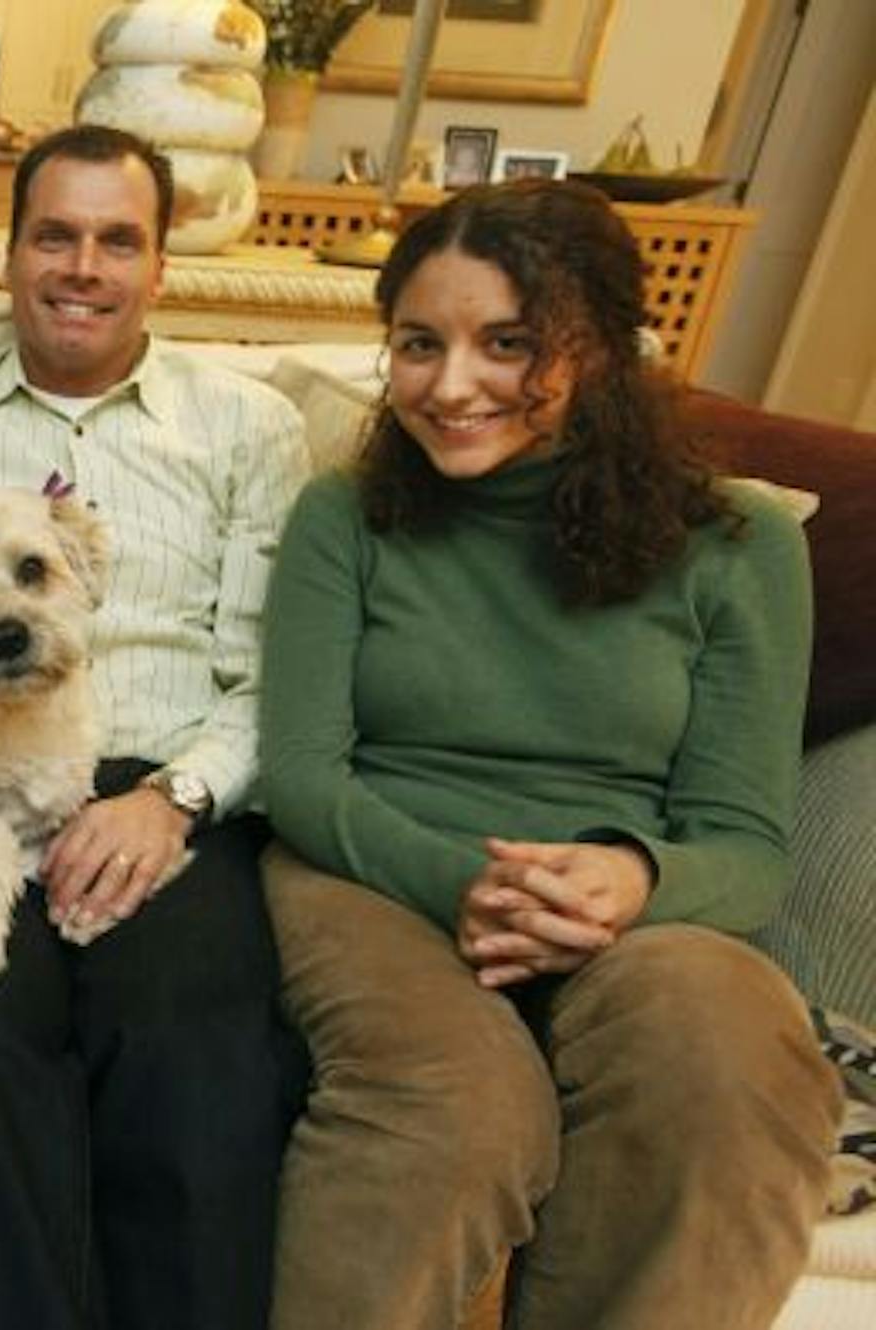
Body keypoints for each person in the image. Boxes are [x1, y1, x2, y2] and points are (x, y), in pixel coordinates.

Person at [257, 179, 843, 1330]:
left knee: (734, 1064)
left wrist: (632, 877)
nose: (451, 384)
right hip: (373, 866)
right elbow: (305, 779)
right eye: (418, 345)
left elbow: (745, 841)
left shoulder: (741, 544)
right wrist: (466, 882)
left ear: (601, 347)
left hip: (625, 901)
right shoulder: (346, 518)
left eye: (507, 343)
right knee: (459, 1108)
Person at [0, 124, 310, 1329]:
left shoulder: (246, 429)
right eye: (56, 235)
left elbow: (274, 673)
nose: (82, 267)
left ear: (160, 265)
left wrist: (175, 799)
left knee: (193, 1046)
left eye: (117, 240)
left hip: (161, 785)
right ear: (11, 252)